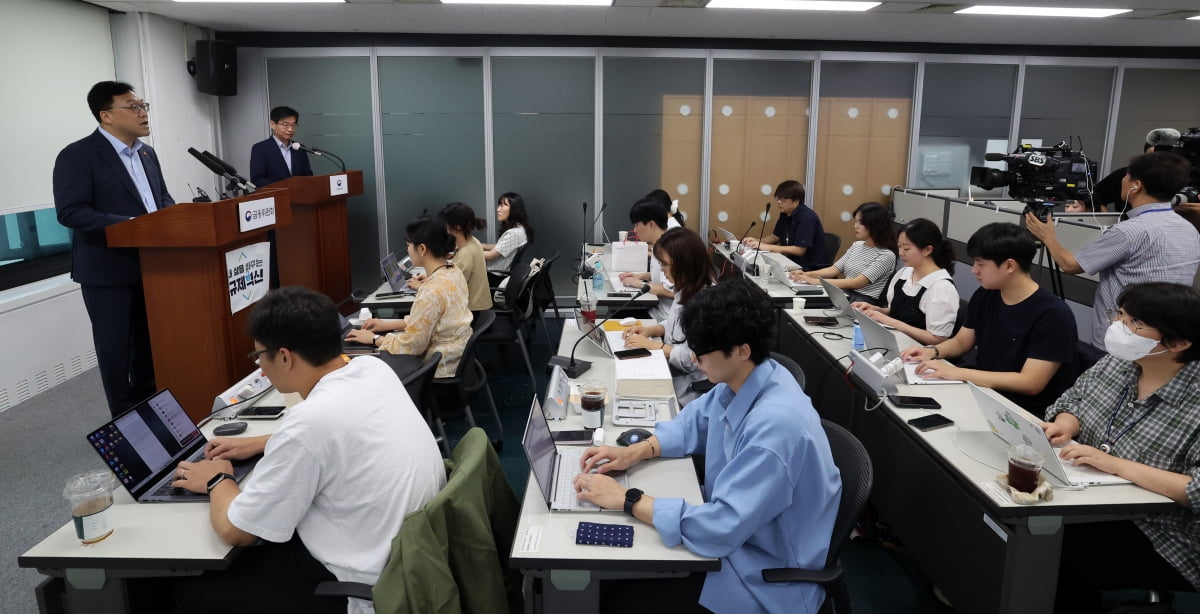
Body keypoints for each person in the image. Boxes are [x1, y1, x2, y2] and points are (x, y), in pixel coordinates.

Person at [167, 286, 445, 614]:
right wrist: (261, 442)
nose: (260, 367)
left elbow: (234, 530)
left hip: (355, 585)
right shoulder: (373, 370)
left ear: (284, 356)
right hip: (407, 559)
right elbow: (342, 432)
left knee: (187, 593)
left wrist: (217, 480)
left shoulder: (308, 425)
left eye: (259, 356)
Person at [573, 277, 841, 614]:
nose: (695, 360)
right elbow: (694, 422)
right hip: (737, 542)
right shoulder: (751, 376)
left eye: (702, 353)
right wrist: (633, 451)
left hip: (759, 574)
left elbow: (721, 527)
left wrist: (628, 500)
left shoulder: (777, 427)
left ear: (741, 350)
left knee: (620, 597)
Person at [1042, 283, 1200, 613]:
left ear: (1178, 342)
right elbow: (1072, 399)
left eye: (1134, 323)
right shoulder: (1118, 363)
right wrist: (1066, 424)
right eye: (1121, 315)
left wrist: (1113, 464)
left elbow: (1196, 491)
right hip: (1091, 498)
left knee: (1054, 550)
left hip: (1165, 532)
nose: (1118, 327)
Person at [53, 81, 174, 416]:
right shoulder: (78, 155)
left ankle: (155, 413)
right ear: (106, 115)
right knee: (116, 352)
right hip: (107, 272)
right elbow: (71, 211)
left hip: (151, 267)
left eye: (143, 105)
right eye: (133, 106)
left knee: (150, 348)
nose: (143, 112)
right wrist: (135, 224)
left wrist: (174, 218)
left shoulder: (147, 153)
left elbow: (161, 199)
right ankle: (126, 424)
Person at [1026, 151, 1200, 350]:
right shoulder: (1188, 228)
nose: (1122, 181)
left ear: (1136, 186)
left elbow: (1070, 265)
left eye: (1126, 176)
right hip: (1163, 339)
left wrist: (1047, 236)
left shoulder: (1129, 231)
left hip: (1122, 340)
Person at [900, 222, 1077, 417]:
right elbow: (962, 342)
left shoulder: (1053, 315)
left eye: (980, 264)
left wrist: (959, 373)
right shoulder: (986, 295)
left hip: (1020, 410)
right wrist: (932, 352)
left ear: (1009, 266)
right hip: (981, 390)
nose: (974, 270)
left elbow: (1030, 383)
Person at [346, 216, 471, 378]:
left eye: (408, 245)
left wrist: (374, 338)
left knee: (370, 366)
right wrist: (387, 325)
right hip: (456, 357)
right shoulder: (453, 270)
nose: (407, 250)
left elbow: (413, 346)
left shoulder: (430, 291)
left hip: (440, 366)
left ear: (422, 249)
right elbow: (428, 319)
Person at [621, 229, 715, 405]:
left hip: (690, 388)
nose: (662, 271)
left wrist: (654, 346)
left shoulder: (707, 302)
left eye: (664, 264)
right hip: (671, 370)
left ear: (684, 263)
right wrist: (651, 329)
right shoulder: (685, 286)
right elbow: (675, 323)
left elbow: (691, 360)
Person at [852, 217, 958, 346]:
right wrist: (877, 311)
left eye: (907, 249)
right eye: (899, 247)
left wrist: (891, 322)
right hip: (894, 342)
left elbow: (937, 339)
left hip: (919, 353)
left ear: (927, 250)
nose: (901, 253)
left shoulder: (941, 287)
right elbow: (896, 311)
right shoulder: (905, 272)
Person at [791, 202, 897, 304]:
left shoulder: (886, 255)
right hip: (845, 293)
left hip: (862, 301)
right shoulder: (857, 245)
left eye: (861, 223)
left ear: (875, 225)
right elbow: (833, 270)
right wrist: (805, 274)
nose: (856, 226)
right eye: (855, 222)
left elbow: (856, 283)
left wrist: (816, 281)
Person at [742, 180, 827, 269]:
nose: (779, 202)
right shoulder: (785, 214)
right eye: (778, 198)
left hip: (808, 267)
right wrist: (756, 242)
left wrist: (767, 247)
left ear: (796, 200)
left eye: (783, 199)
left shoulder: (806, 217)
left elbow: (799, 250)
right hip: (789, 262)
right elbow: (775, 237)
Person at [618, 197, 676, 321]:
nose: (634, 230)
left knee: (616, 317)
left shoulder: (669, 248)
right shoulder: (659, 244)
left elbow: (673, 291)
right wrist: (640, 276)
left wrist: (639, 284)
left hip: (665, 317)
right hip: (655, 308)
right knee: (617, 314)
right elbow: (663, 274)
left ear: (651, 224)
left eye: (637, 225)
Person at [438, 202, 493, 311]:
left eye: (446, 223)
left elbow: (447, 289)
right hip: (480, 305)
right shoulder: (473, 241)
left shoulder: (465, 254)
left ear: (457, 226)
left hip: (471, 311)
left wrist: (421, 286)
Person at [249, 105, 314, 188]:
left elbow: (308, 175)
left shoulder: (299, 148)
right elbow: (257, 179)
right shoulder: (260, 149)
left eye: (293, 125)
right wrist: (283, 188)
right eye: (285, 124)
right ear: (272, 124)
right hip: (276, 197)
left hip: (300, 198)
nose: (290, 129)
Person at [483, 192, 534, 281]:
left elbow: (490, 256)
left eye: (503, 205)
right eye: (499, 205)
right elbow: (501, 247)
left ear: (514, 209)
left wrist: (470, 250)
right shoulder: (519, 228)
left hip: (494, 276)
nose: (498, 209)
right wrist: (482, 246)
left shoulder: (513, 233)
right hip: (497, 273)